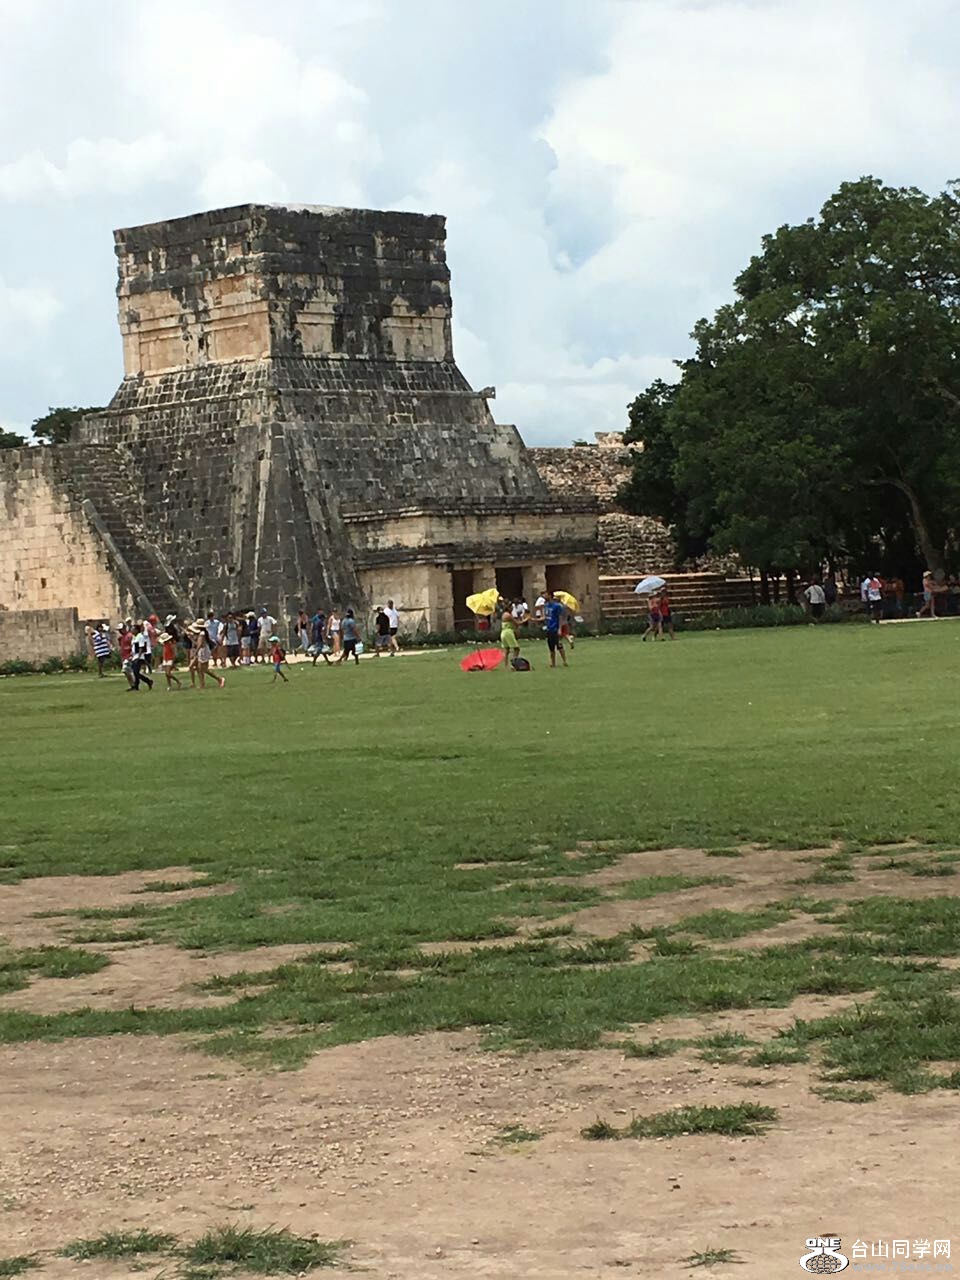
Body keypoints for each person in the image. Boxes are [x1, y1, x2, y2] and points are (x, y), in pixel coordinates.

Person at [194, 624, 225, 689]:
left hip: (203, 651)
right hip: (204, 650)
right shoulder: (203, 633)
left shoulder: (202, 634)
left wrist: (196, 651)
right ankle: (202, 684)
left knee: (204, 669)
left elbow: (200, 644)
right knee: (200, 668)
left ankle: (219, 679)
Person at [542, 590, 567, 668]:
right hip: (549, 629)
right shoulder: (546, 606)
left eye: (546, 595)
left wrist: (559, 628)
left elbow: (560, 617)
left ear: (550, 596)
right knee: (551, 647)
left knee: (559, 646)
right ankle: (553, 663)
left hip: (555, 628)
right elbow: (545, 617)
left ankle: (564, 661)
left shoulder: (557, 606)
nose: (544, 596)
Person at [127, 625, 154, 692]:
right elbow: (133, 647)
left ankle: (142, 683)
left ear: (137, 630)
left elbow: (141, 647)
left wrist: (138, 657)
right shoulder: (134, 637)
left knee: (136, 672)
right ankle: (145, 682)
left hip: (139, 657)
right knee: (135, 672)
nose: (131, 630)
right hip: (134, 656)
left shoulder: (140, 637)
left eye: (133, 629)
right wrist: (131, 655)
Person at [118, 622, 135, 688]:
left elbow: (132, 645)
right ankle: (132, 685)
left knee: (125, 670)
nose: (120, 631)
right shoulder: (122, 637)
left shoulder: (129, 636)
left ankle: (134, 684)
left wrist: (131, 654)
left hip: (128, 656)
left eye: (121, 630)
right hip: (124, 656)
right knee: (127, 671)